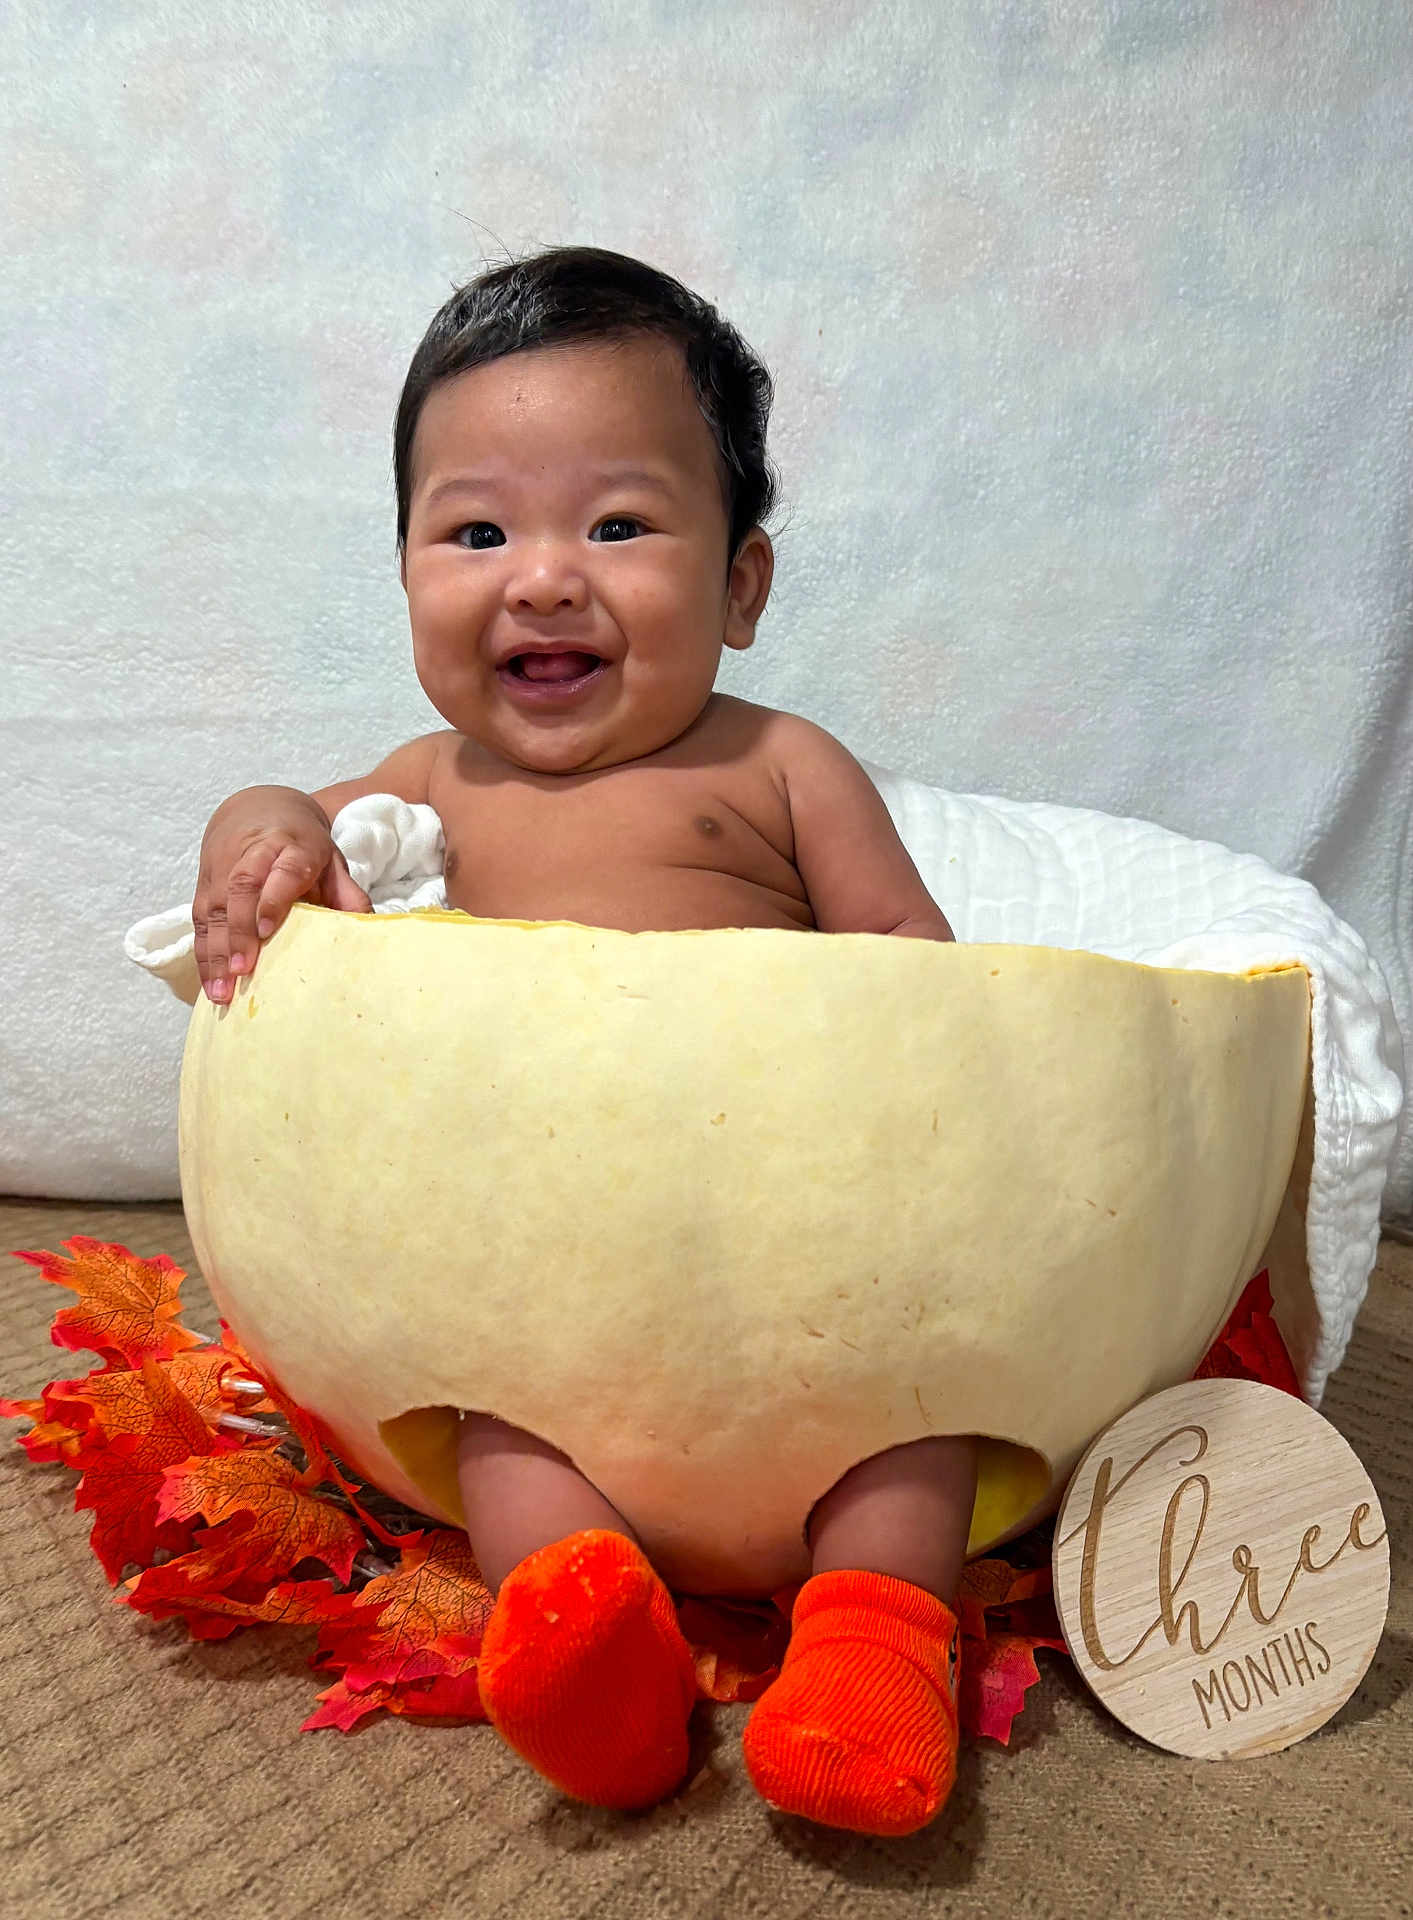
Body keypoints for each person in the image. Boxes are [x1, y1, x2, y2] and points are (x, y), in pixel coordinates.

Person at [193, 247, 975, 1837]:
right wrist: (261, 833)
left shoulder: (778, 769)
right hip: (540, 1278)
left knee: (915, 1415)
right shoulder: (428, 781)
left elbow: (919, 979)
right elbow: (278, 808)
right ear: (406, 569)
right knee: (494, 1426)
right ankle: (588, 1638)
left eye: (616, 526)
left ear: (740, 585)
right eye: (475, 530)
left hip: (787, 1250)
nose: (541, 577)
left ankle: (872, 1650)